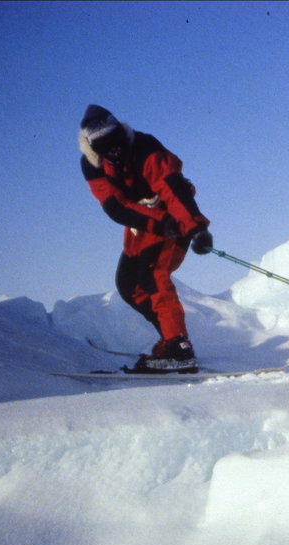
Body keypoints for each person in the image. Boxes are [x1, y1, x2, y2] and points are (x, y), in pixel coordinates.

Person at [77, 105, 213, 373]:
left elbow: (173, 188)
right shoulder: (91, 164)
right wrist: (158, 223)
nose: (113, 149)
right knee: (128, 284)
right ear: (93, 147)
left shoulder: (145, 147)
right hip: (143, 221)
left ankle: (178, 345)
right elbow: (114, 205)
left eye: (115, 141)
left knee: (152, 274)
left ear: (122, 133)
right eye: (104, 146)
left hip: (174, 214)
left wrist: (195, 228)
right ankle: (171, 341)